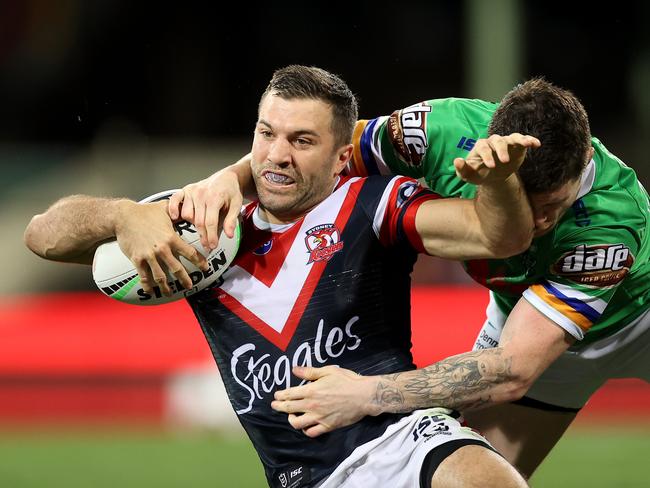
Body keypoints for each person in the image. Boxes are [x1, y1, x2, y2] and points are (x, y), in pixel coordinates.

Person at [23, 65, 535, 487]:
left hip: (398, 438)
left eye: (302, 140)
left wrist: (501, 184)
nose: (277, 155)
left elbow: (498, 237)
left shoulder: (372, 205)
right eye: (267, 134)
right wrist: (122, 216)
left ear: (341, 157)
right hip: (303, 478)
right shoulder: (205, 235)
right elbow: (42, 236)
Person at [170, 77, 650, 479]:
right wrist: (227, 180)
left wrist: (368, 393)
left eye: (550, 208)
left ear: (583, 164)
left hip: (635, 324)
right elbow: (321, 151)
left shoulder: (610, 219)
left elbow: (514, 369)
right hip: (524, 318)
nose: (535, 225)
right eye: (521, 203)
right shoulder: (437, 131)